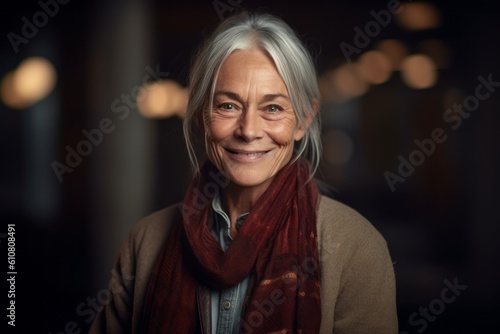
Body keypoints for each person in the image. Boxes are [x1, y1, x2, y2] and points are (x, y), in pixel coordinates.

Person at [90, 11, 398, 334]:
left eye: (273, 108)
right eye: (228, 106)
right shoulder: (145, 243)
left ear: (304, 119)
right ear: (200, 116)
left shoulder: (356, 248)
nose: (249, 130)